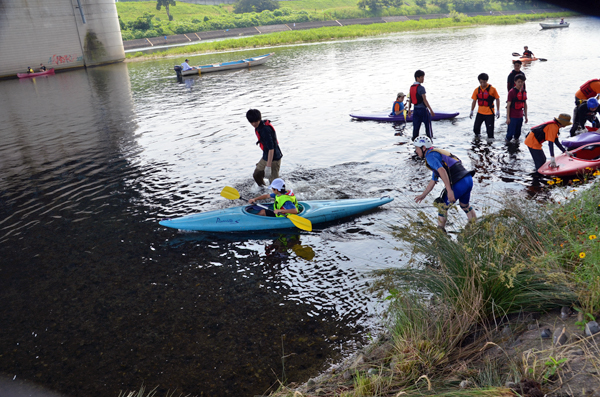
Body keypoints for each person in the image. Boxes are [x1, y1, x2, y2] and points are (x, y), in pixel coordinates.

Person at [413, 135, 476, 233]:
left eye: (417, 148)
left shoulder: (430, 156)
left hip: (459, 182)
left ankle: (440, 235)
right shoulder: (435, 154)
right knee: (465, 205)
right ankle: (476, 227)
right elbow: (433, 180)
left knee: (442, 207)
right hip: (468, 179)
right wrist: (423, 195)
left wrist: (450, 191)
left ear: (423, 147)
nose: (416, 151)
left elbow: (442, 170)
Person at [246, 109, 283, 186]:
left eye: (255, 121)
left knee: (275, 183)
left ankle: (279, 195)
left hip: (274, 158)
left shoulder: (265, 130)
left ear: (259, 119)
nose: (254, 124)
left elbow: (271, 149)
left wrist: (268, 166)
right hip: (266, 156)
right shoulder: (258, 127)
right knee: (257, 174)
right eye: (251, 122)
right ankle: (265, 191)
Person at [407, 70, 435, 139]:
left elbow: (410, 99)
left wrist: (409, 110)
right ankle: (430, 140)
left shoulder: (411, 87)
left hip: (415, 110)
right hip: (423, 110)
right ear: (417, 78)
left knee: (416, 128)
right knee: (428, 127)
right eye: (421, 77)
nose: (423, 79)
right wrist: (431, 110)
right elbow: (425, 100)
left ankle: (415, 143)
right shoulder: (421, 88)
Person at [470, 73, 500, 138]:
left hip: (490, 113)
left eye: (484, 82)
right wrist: (471, 111)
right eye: (481, 82)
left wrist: (498, 110)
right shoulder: (477, 90)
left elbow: (497, 99)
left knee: (490, 132)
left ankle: (490, 144)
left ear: (487, 81)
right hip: (480, 113)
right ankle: (478, 139)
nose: (483, 84)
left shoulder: (493, 89)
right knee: (475, 129)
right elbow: (474, 101)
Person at [506, 74, 528, 142]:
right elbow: (508, 105)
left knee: (517, 135)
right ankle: (507, 146)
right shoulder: (511, 92)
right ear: (515, 82)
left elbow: (525, 104)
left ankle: (516, 147)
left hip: (520, 116)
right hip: (513, 116)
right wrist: (508, 118)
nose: (520, 83)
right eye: (519, 81)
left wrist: (526, 116)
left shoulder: (524, 91)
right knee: (509, 135)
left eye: (522, 82)